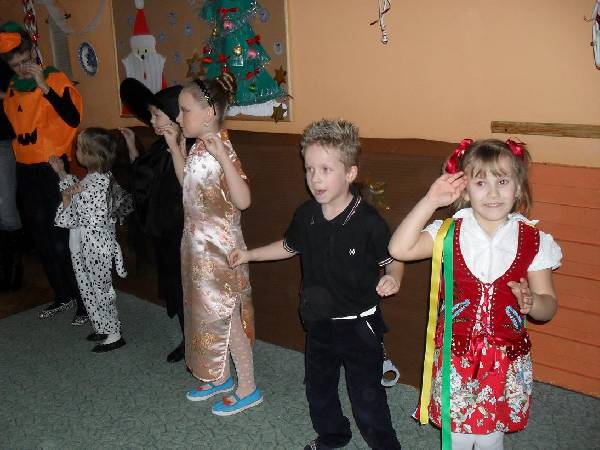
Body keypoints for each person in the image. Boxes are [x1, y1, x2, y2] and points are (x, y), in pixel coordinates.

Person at [229, 119, 404, 449]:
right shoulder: (306, 214)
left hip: (359, 325)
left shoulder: (369, 222)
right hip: (319, 322)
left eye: (325, 169)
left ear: (350, 173)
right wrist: (249, 254)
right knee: (319, 389)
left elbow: (395, 256)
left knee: (367, 397)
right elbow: (288, 246)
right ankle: (333, 435)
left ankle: (385, 445)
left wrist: (393, 276)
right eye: (309, 169)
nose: (315, 178)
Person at [388, 139, 562, 450]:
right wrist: (431, 200)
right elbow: (399, 249)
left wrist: (534, 303)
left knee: (490, 436)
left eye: (502, 181)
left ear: (518, 188)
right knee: (457, 434)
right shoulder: (448, 232)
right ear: (465, 190)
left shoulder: (533, 240)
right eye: (481, 182)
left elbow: (548, 306)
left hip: (504, 361)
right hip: (456, 357)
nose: (493, 193)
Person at [163, 73, 261, 416]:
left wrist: (224, 159)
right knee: (205, 315)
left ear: (209, 113)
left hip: (221, 252)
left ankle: (248, 387)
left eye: (185, 110)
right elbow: (187, 183)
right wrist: (175, 147)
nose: (179, 118)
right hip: (196, 247)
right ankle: (219, 376)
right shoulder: (197, 147)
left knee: (228, 316)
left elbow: (243, 200)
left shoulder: (222, 148)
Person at [0, 22, 86, 323]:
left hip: (53, 169)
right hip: (26, 170)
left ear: (33, 53)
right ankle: (62, 295)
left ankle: (84, 302)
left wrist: (46, 88)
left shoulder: (54, 78)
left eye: (25, 61)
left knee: (64, 238)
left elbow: (73, 117)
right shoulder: (12, 89)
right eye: (15, 65)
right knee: (41, 237)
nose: (22, 69)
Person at [119, 78, 190, 363]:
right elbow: (143, 178)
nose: (151, 121)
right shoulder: (161, 146)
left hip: (187, 232)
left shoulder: (192, 147)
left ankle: (200, 346)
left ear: (173, 115)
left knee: (189, 290)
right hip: (167, 231)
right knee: (176, 287)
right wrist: (132, 145)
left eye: (156, 115)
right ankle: (189, 340)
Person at [49, 128, 133, 352]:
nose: (75, 151)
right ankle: (102, 325)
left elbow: (68, 218)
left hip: (93, 247)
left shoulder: (94, 185)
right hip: (88, 244)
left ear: (89, 155)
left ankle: (114, 333)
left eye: (79, 148)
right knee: (88, 287)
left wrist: (66, 196)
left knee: (99, 290)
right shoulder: (99, 177)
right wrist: (62, 173)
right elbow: (78, 192)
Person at [0, 56, 22, 291]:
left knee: (5, 209)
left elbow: (15, 90)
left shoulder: (2, 64)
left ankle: (13, 273)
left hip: (2, 142)